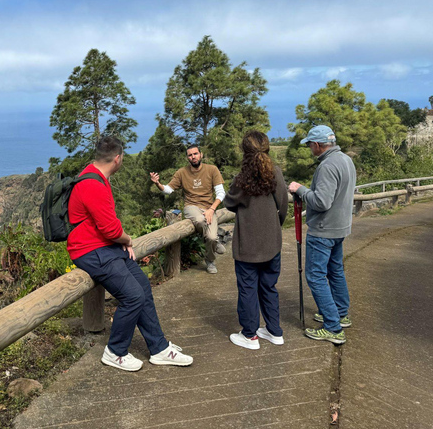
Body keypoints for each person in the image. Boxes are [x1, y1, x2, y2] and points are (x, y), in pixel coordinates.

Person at [69, 136, 193, 371]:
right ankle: (115, 351)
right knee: (133, 296)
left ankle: (158, 347)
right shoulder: (93, 184)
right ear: (118, 158)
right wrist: (127, 240)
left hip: (106, 246)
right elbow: (110, 229)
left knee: (142, 287)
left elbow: (108, 222)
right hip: (90, 251)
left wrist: (120, 241)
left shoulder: (97, 176)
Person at [288, 125, 356, 345]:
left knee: (315, 276)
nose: (309, 148)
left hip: (324, 230)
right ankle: (341, 313)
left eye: (310, 144)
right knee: (335, 271)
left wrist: (300, 189)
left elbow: (321, 202)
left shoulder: (327, 166)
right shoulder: (346, 160)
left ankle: (333, 328)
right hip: (340, 227)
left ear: (317, 145)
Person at [223, 131, 289, 350]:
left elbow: (229, 203)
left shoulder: (242, 179)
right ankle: (274, 331)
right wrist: (274, 227)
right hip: (272, 242)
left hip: (248, 245)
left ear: (245, 151)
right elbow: (283, 205)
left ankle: (250, 335)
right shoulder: (276, 173)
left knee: (248, 289)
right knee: (269, 287)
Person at [150, 145, 227, 273]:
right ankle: (213, 252)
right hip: (191, 207)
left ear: (201, 154)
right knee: (199, 219)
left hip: (208, 208)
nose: (193, 157)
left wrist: (211, 209)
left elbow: (221, 193)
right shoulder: (182, 172)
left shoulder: (212, 169)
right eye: (190, 155)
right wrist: (158, 183)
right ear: (187, 158)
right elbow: (168, 190)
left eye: (195, 154)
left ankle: (211, 257)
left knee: (212, 237)